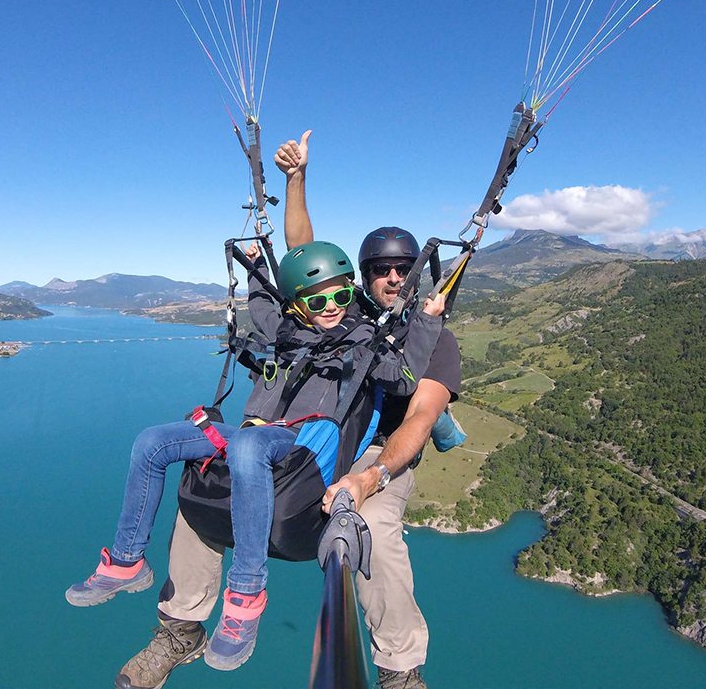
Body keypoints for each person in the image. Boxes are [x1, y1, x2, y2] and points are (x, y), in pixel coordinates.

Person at [110, 132, 461, 689]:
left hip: (377, 451)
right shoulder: (338, 315)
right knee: (207, 482)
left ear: (416, 275)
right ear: (363, 279)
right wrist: (296, 179)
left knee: (370, 525)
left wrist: (370, 478)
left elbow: (419, 418)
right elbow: (302, 255)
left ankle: (399, 670)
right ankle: (181, 629)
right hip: (308, 435)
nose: (393, 277)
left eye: (403, 269)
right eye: (380, 269)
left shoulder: (431, 338)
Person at [69, 239, 446, 674]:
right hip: (261, 435)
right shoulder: (284, 330)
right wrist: (253, 265)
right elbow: (266, 301)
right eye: (318, 299)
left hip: (306, 445)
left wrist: (427, 324)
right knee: (153, 442)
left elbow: (402, 380)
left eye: (342, 296)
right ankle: (126, 560)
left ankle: (246, 594)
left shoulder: (365, 341)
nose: (332, 307)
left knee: (247, 446)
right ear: (297, 304)